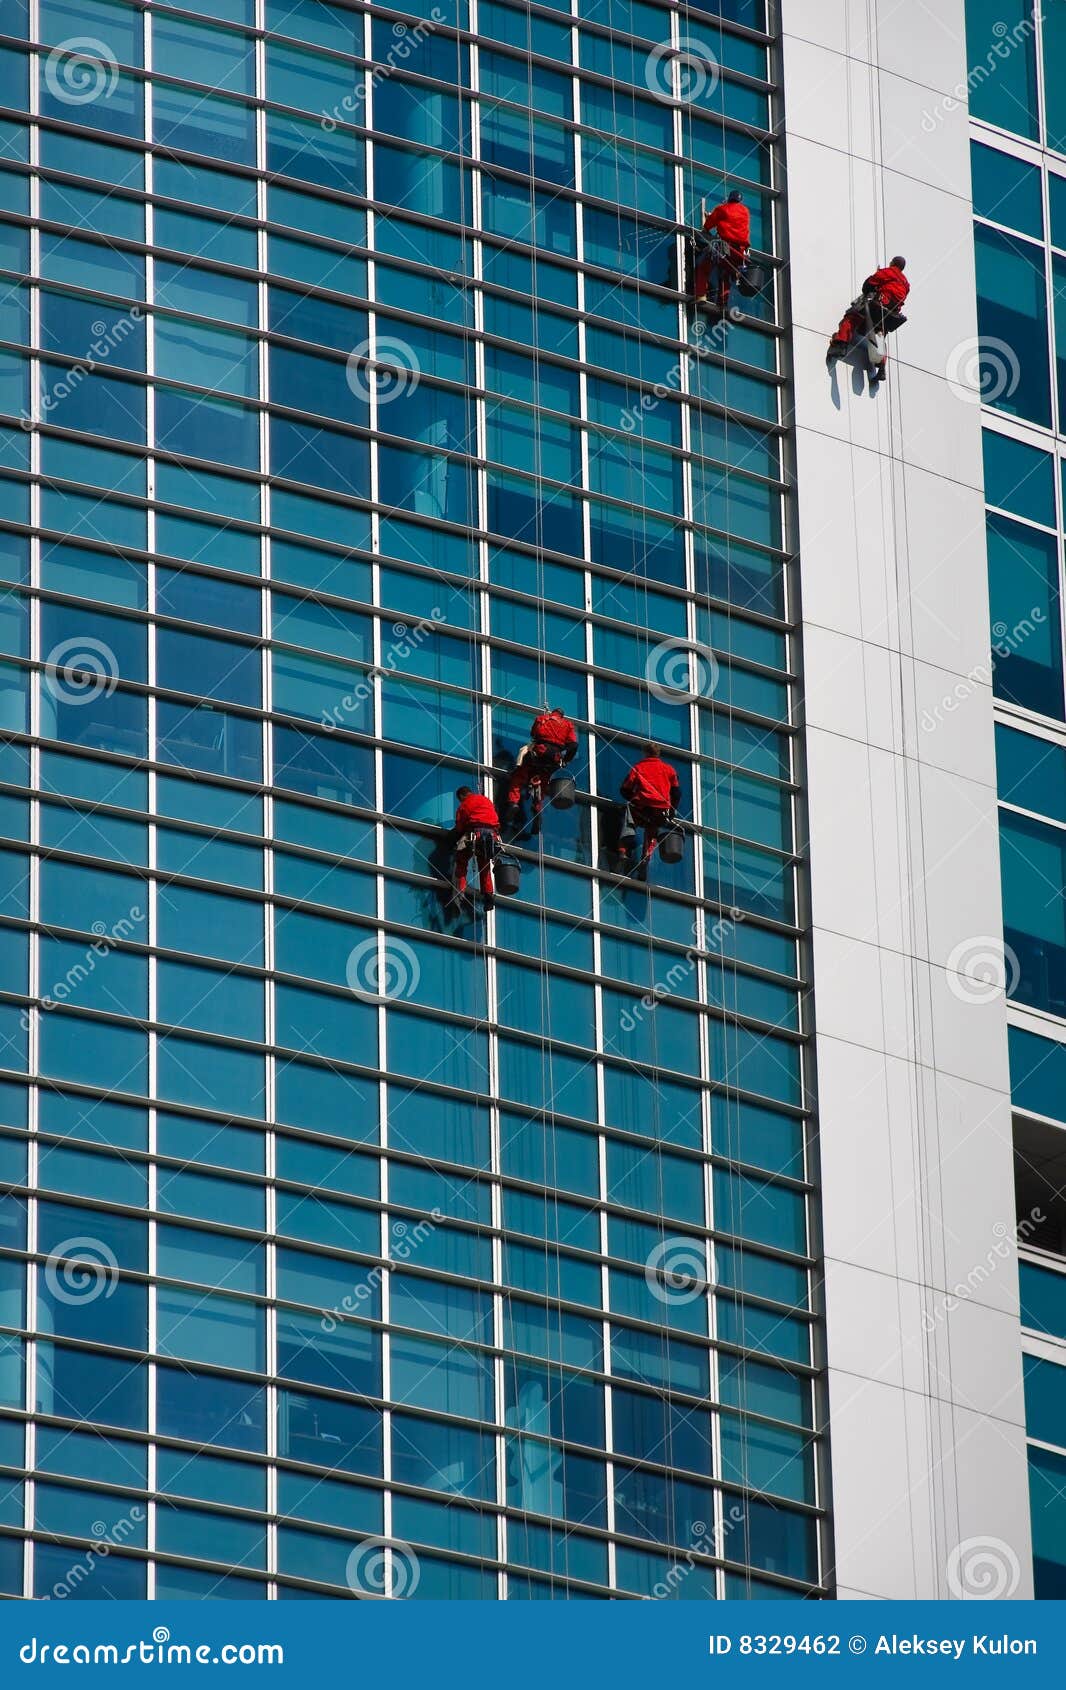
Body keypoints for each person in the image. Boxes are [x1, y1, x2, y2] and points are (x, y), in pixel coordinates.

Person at [827, 256, 910, 370]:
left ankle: (839, 345)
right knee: (880, 333)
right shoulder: (906, 284)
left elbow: (870, 282)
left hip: (879, 305)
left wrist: (868, 290)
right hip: (891, 314)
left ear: (893, 263)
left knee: (852, 317)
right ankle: (881, 365)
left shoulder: (889, 272)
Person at [504, 707, 578, 828]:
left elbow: (533, 734)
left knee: (519, 775)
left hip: (539, 753)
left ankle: (513, 803)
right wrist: (566, 760)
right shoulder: (568, 725)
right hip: (553, 759)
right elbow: (574, 745)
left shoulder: (542, 719)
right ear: (562, 715)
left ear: (552, 712)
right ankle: (537, 809)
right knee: (542, 785)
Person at [618, 744, 682, 868]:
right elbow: (677, 793)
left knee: (629, 818)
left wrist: (633, 799)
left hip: (642, 805)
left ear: (645, 753)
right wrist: (672, 810)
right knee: (652, 831)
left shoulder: (638, 768)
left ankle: (623, 850)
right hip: (661, 809)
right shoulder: (669, 769)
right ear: (658, 754)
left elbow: (624, 789)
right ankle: (646, 858)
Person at [693, 191, 751, 313]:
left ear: (729, 199)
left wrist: (707, 224)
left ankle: (701, 295)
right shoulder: (745, 211)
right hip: (739, 252)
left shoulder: (722, 209)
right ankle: (722, 304)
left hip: (725, 246)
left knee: (703, 267)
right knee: (726, 275)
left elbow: (709, 225)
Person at [453, 786, 501, 902]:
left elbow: (460, 826)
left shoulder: (465, 804)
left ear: (462, 796)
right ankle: (488, 893)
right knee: (484, 864)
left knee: (462, 859)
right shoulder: (486, 800)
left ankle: (460, 890)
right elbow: (494, 818)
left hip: (475, 833)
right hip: (491, 835)